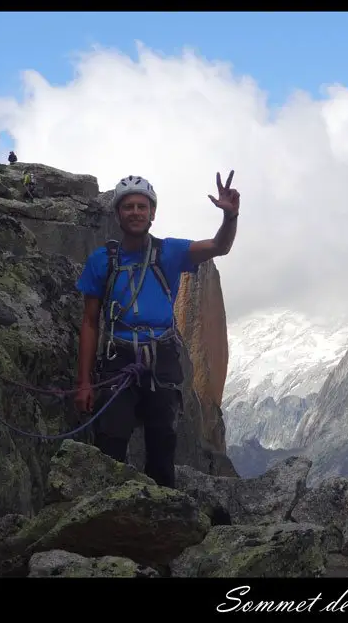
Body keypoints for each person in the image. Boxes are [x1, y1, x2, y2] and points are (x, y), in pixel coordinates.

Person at [74, 171, 240, 488]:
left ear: (152, 213)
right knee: (109, 446)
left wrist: (230, 217)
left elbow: (219, 246)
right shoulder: (101, 261)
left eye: (142, 206)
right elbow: (90, 322)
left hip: (160, 360)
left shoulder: (170, 252)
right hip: (118, 360)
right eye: (128, 206)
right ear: (118, 213)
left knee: (163, 450)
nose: (136, 212)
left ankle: (160, 528)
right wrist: (83, 382)